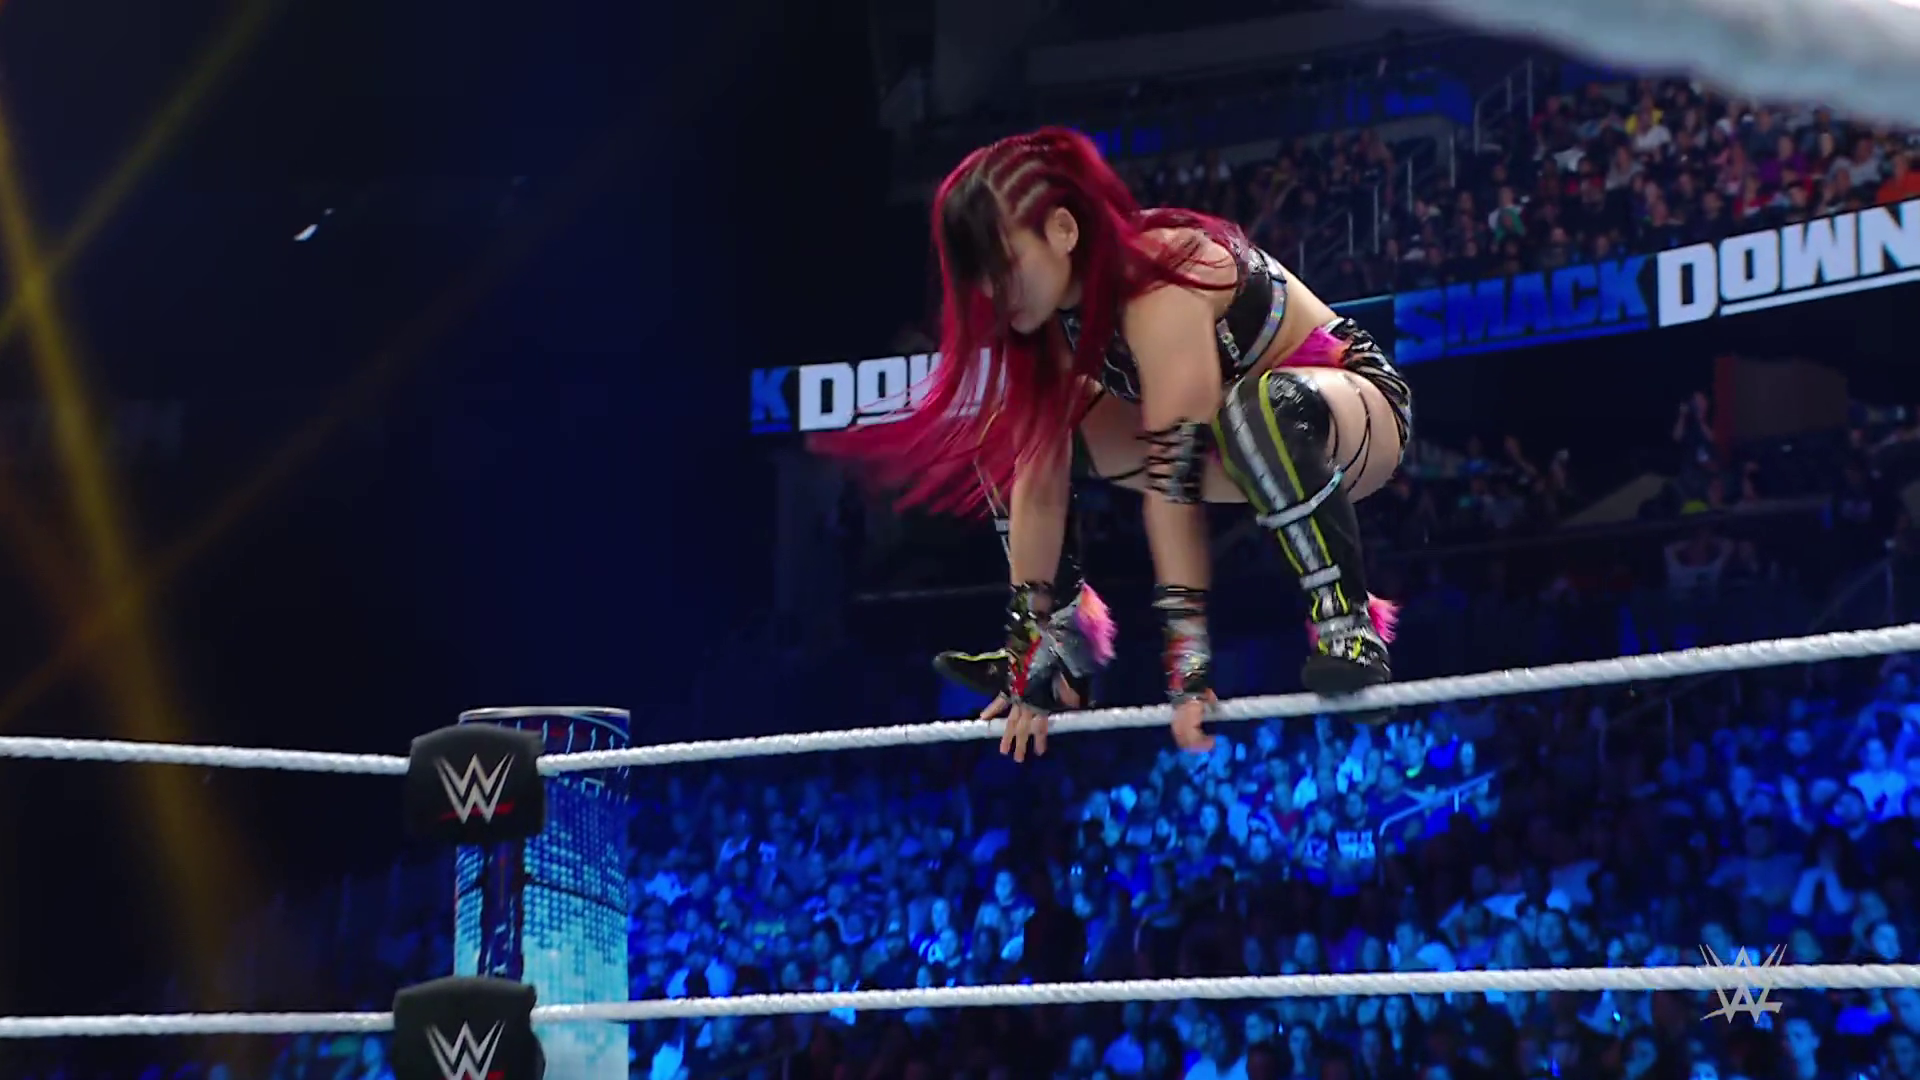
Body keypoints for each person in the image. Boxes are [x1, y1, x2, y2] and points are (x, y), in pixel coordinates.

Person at [820, 127, 1411, 756]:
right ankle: (1061, 645)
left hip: (1348, 414)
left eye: (1003, 265)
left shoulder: (1159, 286)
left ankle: (1346, 625)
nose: (992, 292)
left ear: (1063, 230)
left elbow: (1172, 490)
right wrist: (1028, 650)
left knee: (1258, 410)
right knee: (1010, 435)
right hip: (1236, 445)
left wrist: (1188, 671)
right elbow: (1038, 489)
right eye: (981, 278)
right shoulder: (1048, 325)